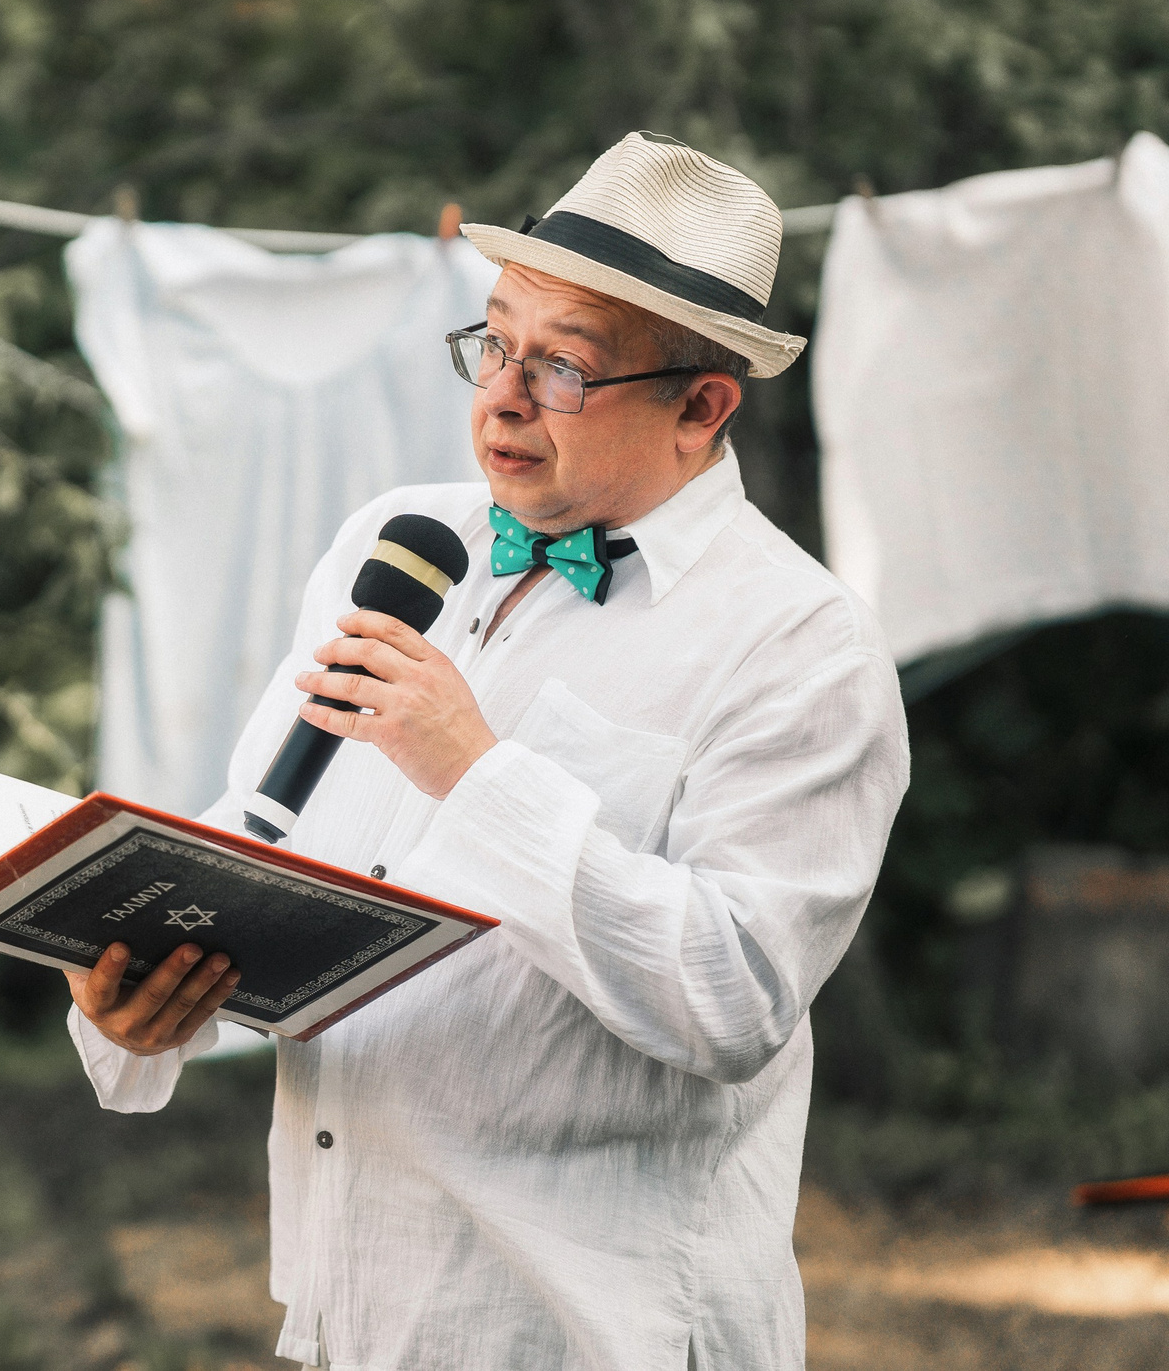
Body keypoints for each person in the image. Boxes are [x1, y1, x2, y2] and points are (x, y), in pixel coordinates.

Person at [66, 133, 908, 1371]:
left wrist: (472, 770)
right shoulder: (397, 536)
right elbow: (265, 823)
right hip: (349, 1310)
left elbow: (732, 996)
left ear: (700, 405)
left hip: (592, 1333)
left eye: (563, 366)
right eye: (495, 342)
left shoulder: (802, 642)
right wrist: (148, 1009)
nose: (503, 397)